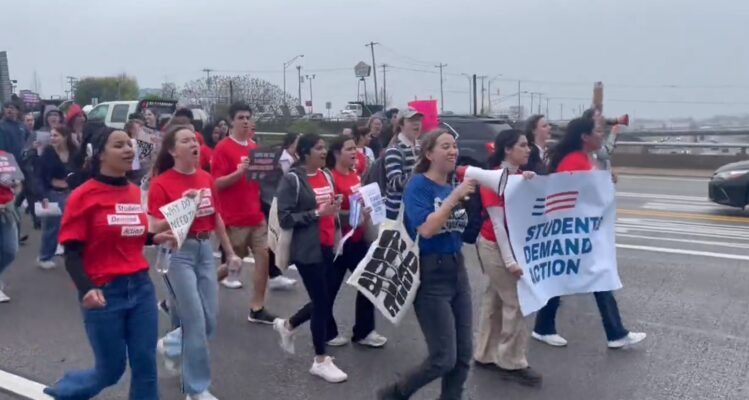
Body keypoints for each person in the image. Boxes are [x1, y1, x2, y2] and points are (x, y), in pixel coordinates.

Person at [44, 127, 175, 400]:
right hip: (104, 293)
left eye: (130, 144)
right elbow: (72, 253)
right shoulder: (83, 196)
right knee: (110, 370)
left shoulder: (132, 192)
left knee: (145, 365)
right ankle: (67, 391)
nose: (129, 149)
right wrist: (87, 289)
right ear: (100, 154)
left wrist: (153, 237)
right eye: (119, 145)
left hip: (140, 288)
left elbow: (129, 232)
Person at [377, 129, 476, 400]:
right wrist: (454, 197)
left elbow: (465, 231)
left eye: (455, 146)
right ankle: (394, 394)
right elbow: (427, 228)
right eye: (445, 146)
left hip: (457, 270)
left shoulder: (452, 185)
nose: (453, 151)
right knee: (444, 357)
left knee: (464, 354)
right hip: (431, 273)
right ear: (429, 154)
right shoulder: (418, 185)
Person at [532, 117, 646, 349]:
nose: (601, 135)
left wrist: (605, 180)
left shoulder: (584, 158)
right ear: (584, 136)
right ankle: (613, 333)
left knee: (582, 278)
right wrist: (601, 184)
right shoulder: (574, 160)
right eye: (597, 131)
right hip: (570, 232)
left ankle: (546, 328)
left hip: (579, 232)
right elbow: (570, 195)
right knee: (586, 278)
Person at [149, 124, 238, 400]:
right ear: (173, 151)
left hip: (204, 250)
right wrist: (182, 205)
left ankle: (172, 343)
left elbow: (217, 218)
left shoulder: (206, 178)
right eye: (185, 141)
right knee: (196, 322)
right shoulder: (161, 183)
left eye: (195, 140)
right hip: (178, 252)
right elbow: (152, 225)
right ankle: (196, 389)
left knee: (210, 320)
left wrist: (230, 252)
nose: (193, 144)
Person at [272, 133, 347, 383]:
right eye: (318, 148)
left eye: (324, 147)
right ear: (304, 153)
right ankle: (320, 359)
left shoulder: (325, 175)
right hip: (307, 251)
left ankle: (289, 325)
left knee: (322, 299)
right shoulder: (293, 180)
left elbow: (329, 209)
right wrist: (317, 212)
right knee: (323, 302)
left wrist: (336, 209)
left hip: (328, 245)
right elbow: (285, 218)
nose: (323, 152)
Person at [474, 129, 542, 386]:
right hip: (495, 246)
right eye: (523, 145)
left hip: (504, 245)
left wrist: (527, 180)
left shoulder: (515, 177)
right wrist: (511, 262)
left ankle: (485, 353)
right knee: (516, 301)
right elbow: (499, 225)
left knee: (494, 300)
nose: (528, 149)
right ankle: (511, 361)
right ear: (507, 149)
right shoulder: (493, 179)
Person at [210, 101, 277, 323]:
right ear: (232, 121)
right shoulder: (223, 148)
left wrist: (269, 172)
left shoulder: (254, 148)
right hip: (234, 218)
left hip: (256, 215)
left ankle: (257, 307)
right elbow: (216, 183)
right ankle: (187, 294)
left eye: (248, 116)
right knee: (231, 264)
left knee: (264, 257)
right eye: (240, 117)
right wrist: (238, 173)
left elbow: (260, 181)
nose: (245, 121)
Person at [324, 135, 387, 347]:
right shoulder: (330, 178)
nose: (354, 153)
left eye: (355, 149)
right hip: (340, 243)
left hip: (359, 240)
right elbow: (332, 212)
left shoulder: (355, 175)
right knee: (328, 289)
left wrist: (369, 211)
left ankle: (364, 331)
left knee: (367, 283)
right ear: (336, 153)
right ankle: (326, 331)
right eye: (349, 149)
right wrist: (352, 214)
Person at [35, 126, 78, 269]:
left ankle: (70, 252)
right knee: (52, 226)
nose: (52, 138)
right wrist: (42, 195)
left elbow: (78, 171)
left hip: (71, 192)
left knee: (72, 225)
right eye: (51, 135)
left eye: (56, 135)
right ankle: (45, 256)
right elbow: (39, 175)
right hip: (52, 193)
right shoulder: (48, 152)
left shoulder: (73, 152)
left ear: (65, 137)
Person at [384, 107, 423, 220]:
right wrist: (418, 169)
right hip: (398, 213)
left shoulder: (422, 147)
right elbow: (395, 183)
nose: (417, 124)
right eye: (411, 121)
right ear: (401, 124)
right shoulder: (394, 150)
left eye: (419, 120)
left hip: (417, 209)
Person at [0, 149, 20, 303]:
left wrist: (14, 184)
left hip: (6, 209)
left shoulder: (6, 157)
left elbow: (18, 185)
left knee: (10, 250)